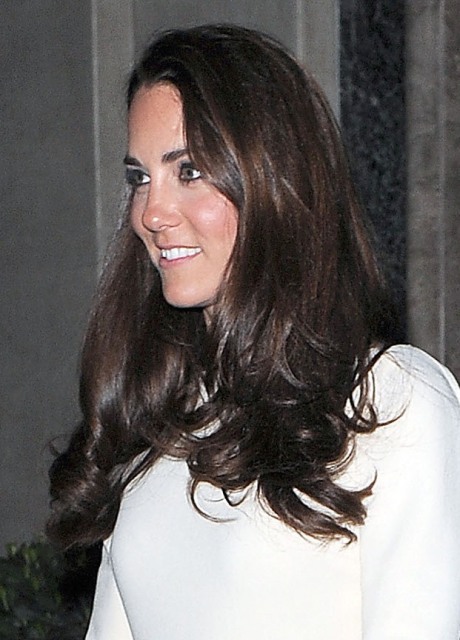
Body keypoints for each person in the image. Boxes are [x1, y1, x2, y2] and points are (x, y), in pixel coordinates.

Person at [47, 24, 460, 639]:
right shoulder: (157, 418)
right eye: (140, 178)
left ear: (273, 180)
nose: (151, 213)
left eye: (189, 171)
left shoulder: (393, 403)